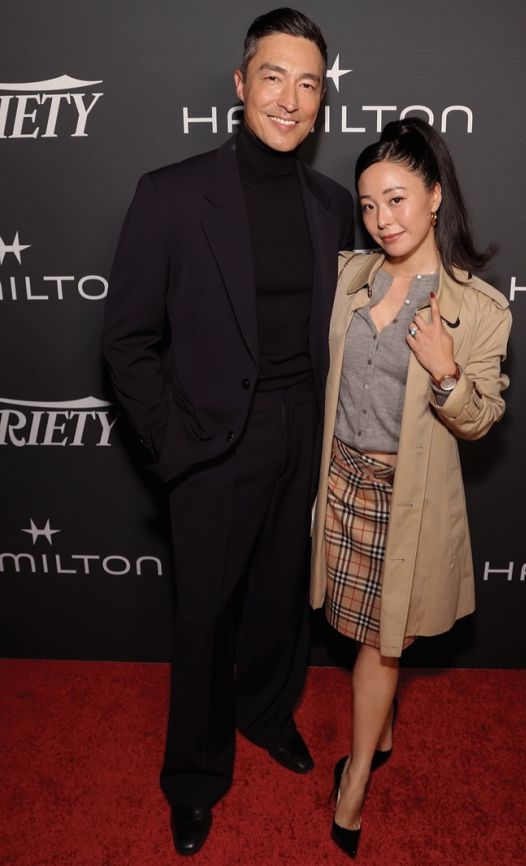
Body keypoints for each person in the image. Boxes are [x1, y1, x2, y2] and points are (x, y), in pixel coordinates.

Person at [103, 8, 354, 857]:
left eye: (308, 84)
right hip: (211, 444)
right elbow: (127, 340)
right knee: (204, 614)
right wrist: (172, 442)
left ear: (322, 100)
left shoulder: (331, 206)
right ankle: (195, 775)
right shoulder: (171, 195)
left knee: (281, 597)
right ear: (242, 84)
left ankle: (267, 714)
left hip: (302, 430)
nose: (290, 99)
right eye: (274, 77)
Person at [310, 117, 512, 858]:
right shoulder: (348, 277)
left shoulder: (477, 308)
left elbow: (481, 419)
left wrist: (448, 373)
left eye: (396, 199)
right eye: (368, 205)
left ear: (434, 196)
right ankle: (385, 727)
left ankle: (356, 781)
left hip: (407, 499)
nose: (381, 219)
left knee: (382, 642)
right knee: (362, 631)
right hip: (340, 483)